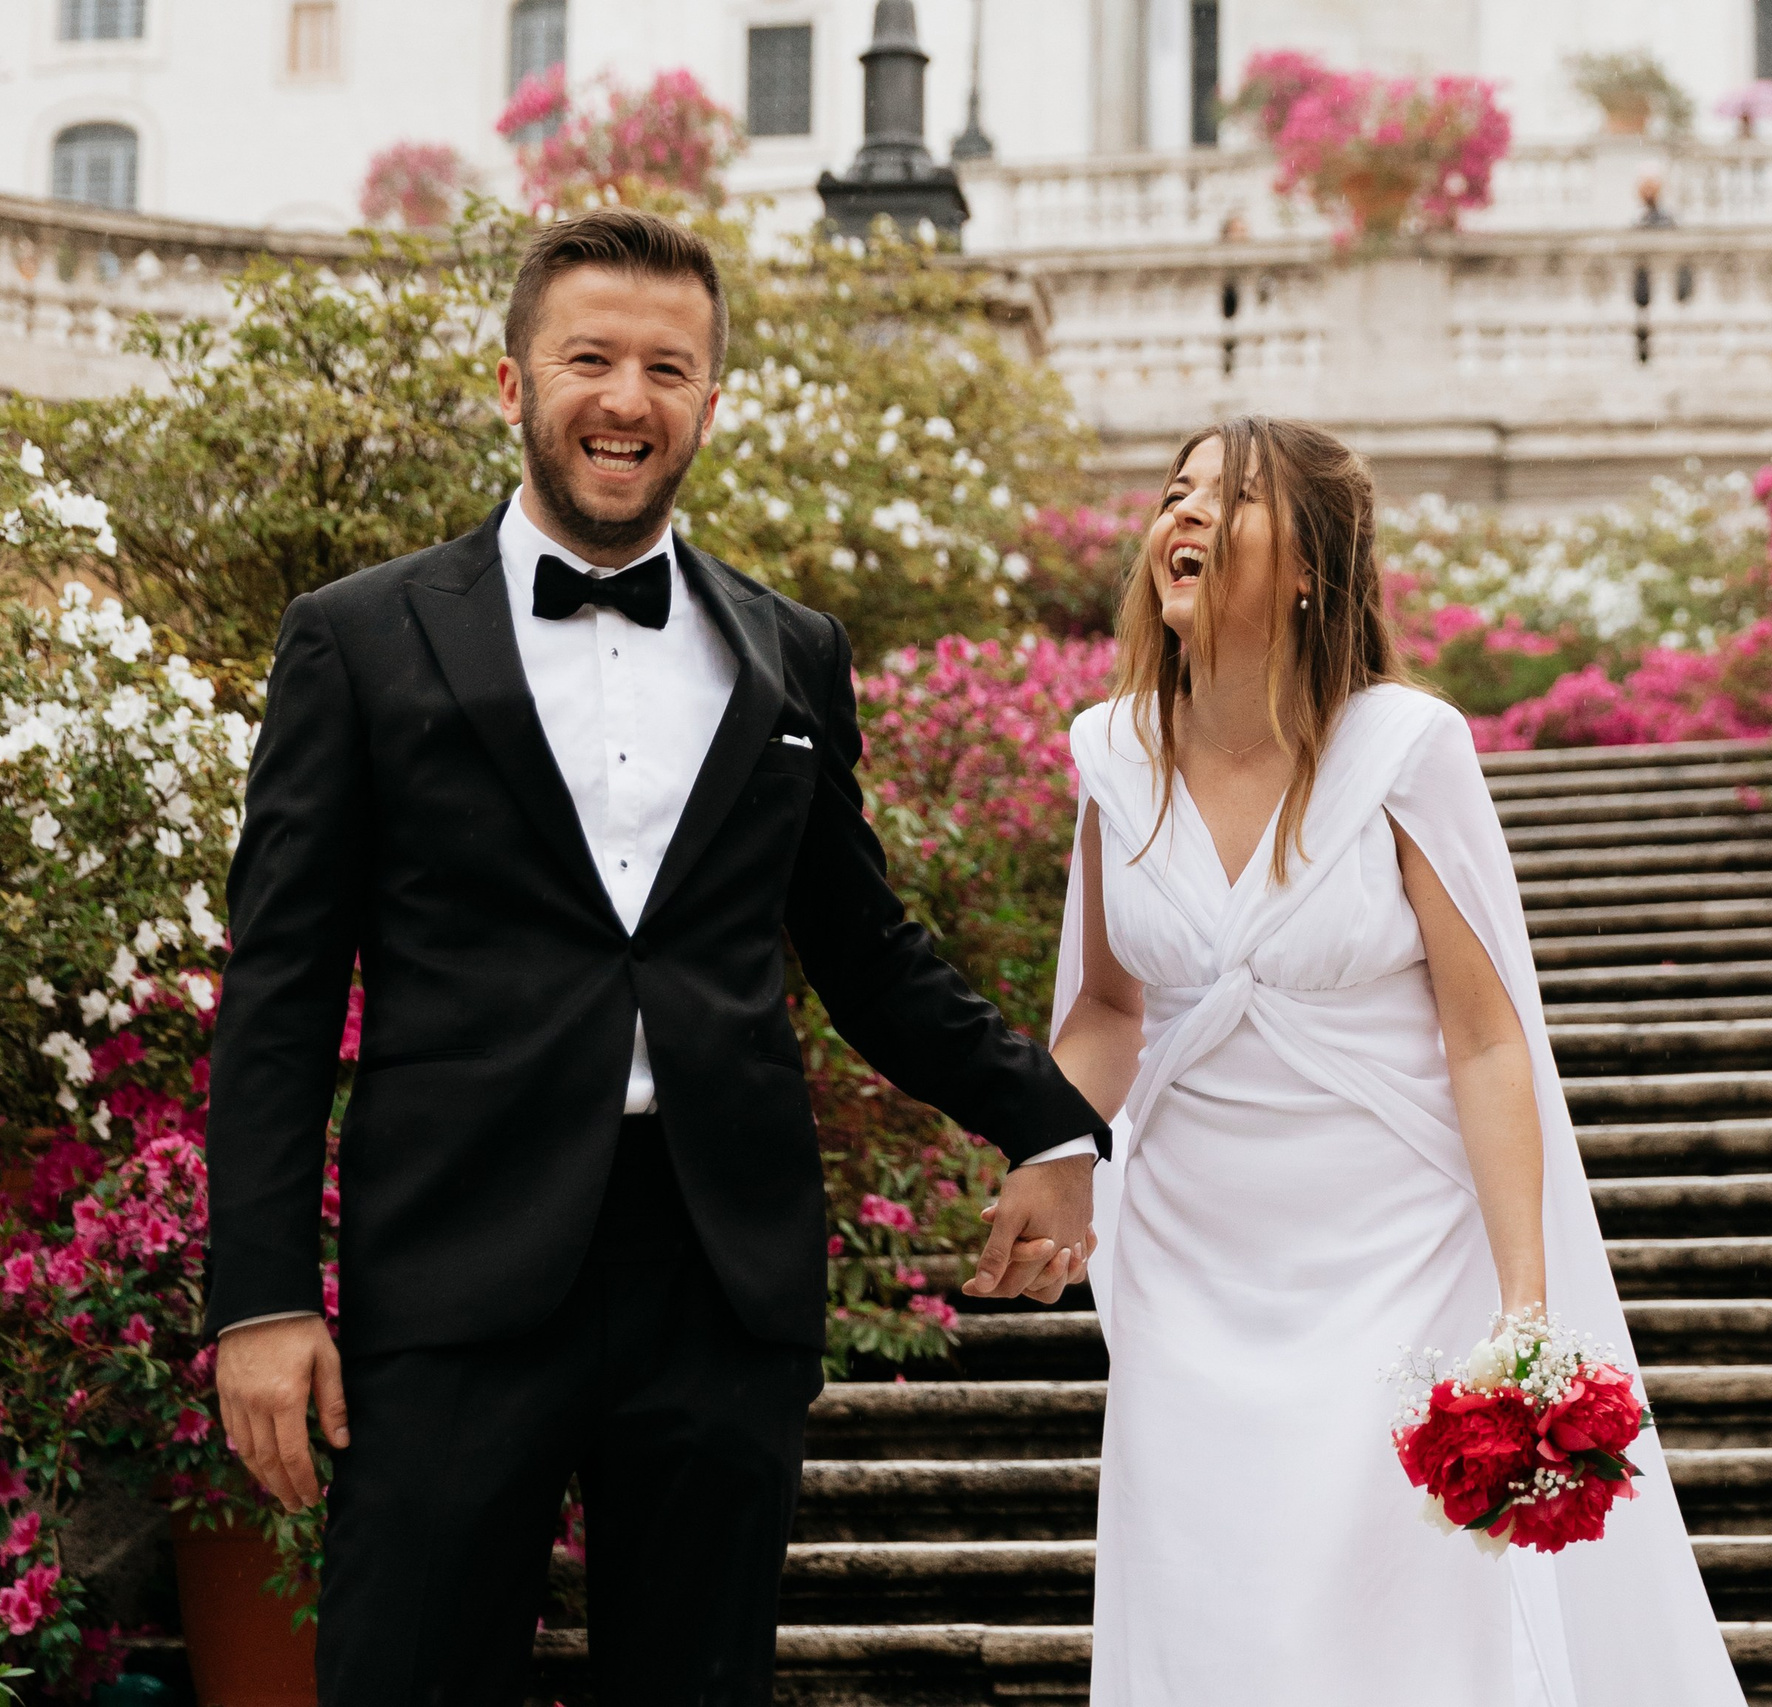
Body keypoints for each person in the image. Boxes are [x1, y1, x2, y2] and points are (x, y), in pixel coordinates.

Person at [204, 206, 1107, 1706]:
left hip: (717, 1273)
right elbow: (281, 988)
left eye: (668, 368)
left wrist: (1051, 1116)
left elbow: (864, 948)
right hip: (452, 1270)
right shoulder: (356, 640)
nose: (627, 399)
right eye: (591, 359)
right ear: (514, 386)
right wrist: (260, 1298)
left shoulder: (791, 649)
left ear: (710, 401)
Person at [1047, 416, 1746, 1704]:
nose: (1183, 517)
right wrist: (1048, 1157)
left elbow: (1487, 1036)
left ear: (1315, 563)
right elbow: (1102, 1004)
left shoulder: (1406, 749)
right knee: (1209, 1614)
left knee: (1400, 1631)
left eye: (1228, 499)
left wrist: (1526, 1310)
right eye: (1173, 494)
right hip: (1192, 1266)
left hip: (1399, 1264)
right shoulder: (1111, 755)